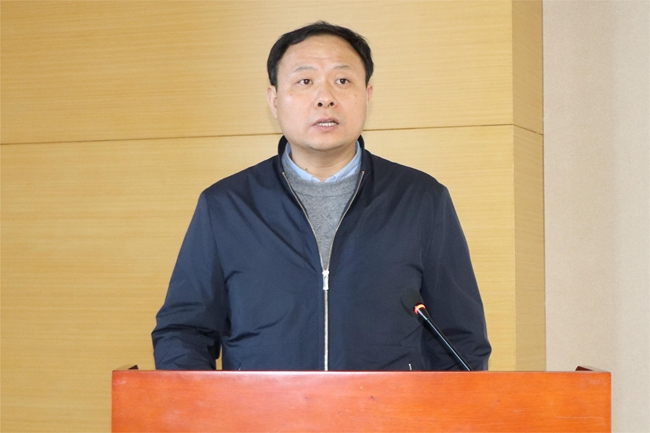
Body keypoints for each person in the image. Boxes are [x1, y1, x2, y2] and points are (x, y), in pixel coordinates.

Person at [152, 21, 491, 371]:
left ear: (368, 95)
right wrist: (206, 404)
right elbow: (184, 333)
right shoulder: (227, 206)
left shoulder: (421, 200)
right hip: (263, 407)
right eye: (305, 81)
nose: (325, 97)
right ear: (274, 100)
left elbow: (460, 340)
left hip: (388, 407)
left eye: (342, 80)